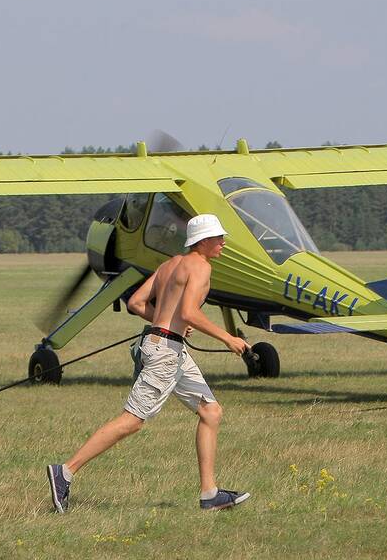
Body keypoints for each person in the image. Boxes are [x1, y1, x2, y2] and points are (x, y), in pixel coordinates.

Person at [47, 213, 251, 513]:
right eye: (219, 238)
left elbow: (136, 303)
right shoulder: (201, 266)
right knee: (132, 421)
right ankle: (64, 472)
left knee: (211, 411)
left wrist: (165, 323)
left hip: (164, 346)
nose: (223, 242)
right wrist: (227, 338)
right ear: (203, 241)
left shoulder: (169, 265)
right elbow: (191, 311)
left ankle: (210, 494)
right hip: (166, 353)